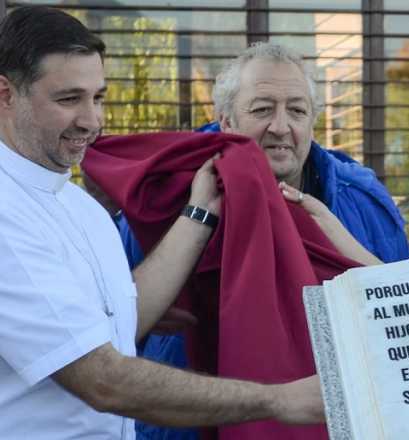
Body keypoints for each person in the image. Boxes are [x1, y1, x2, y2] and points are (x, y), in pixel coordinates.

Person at [0, 6, 323, 439]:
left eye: (98, 98)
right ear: (5, 95)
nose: (91, 121)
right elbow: (103, 379)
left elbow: (121, 324)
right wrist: (279, 401)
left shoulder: (81, 209)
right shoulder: (7, 214)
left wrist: (201, 211)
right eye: (68, 99)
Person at [128, 42, 389, 440]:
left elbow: (399, 325)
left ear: (313, 122)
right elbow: (108, 335)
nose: (281, 127)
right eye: (263, 109)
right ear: (226, 121)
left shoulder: (365, 204)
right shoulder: (158, 203)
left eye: (297, 111)